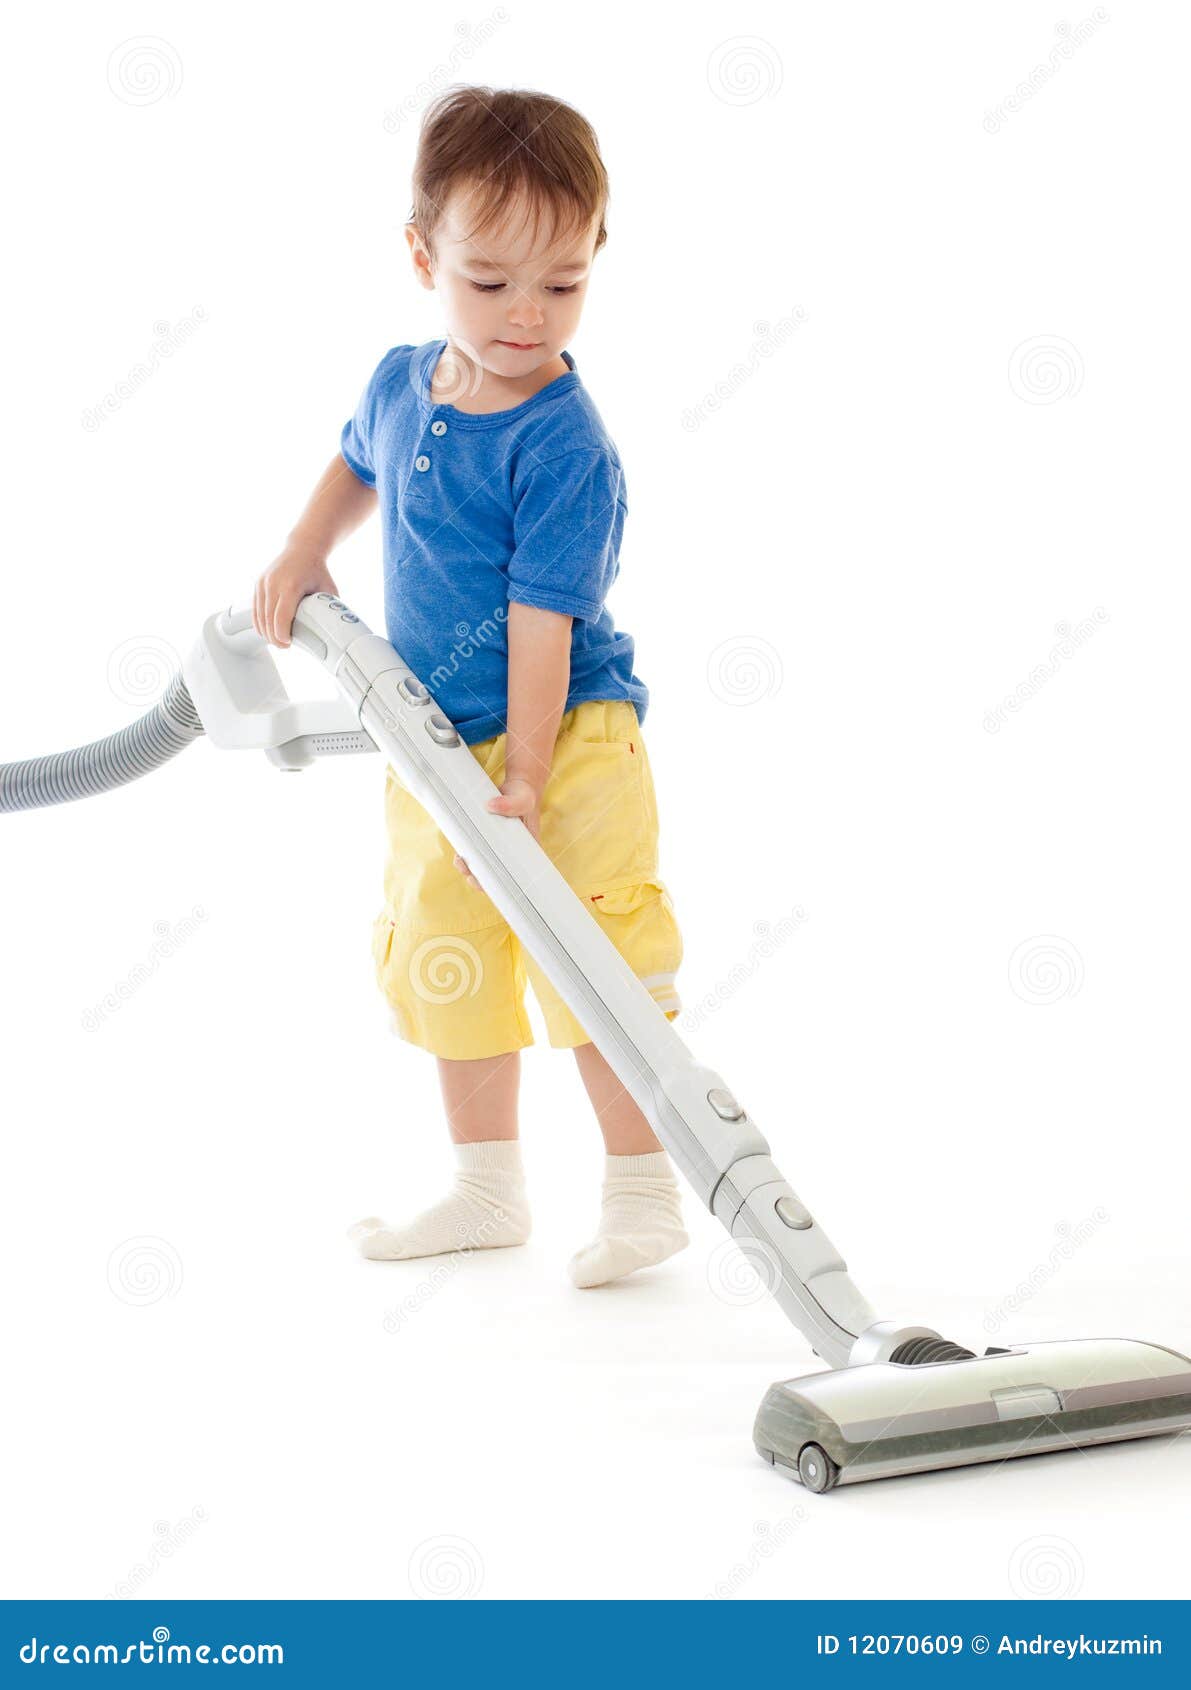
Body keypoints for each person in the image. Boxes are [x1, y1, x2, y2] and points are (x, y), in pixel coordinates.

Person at [252, 86, 688, 1288]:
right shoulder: (403, 382)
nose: (526, 315)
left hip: (571, 738)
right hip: (433, 741)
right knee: (445, 950)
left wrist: (535, 773)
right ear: (422, 256)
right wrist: (305, 551)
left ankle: (646, 1192)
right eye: (490, 283)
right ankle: (487, 1188)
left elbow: (543, 623)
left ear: (597, 259)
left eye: (564, 282)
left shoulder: (565, 444)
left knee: (595, 955)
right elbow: (355, 463)